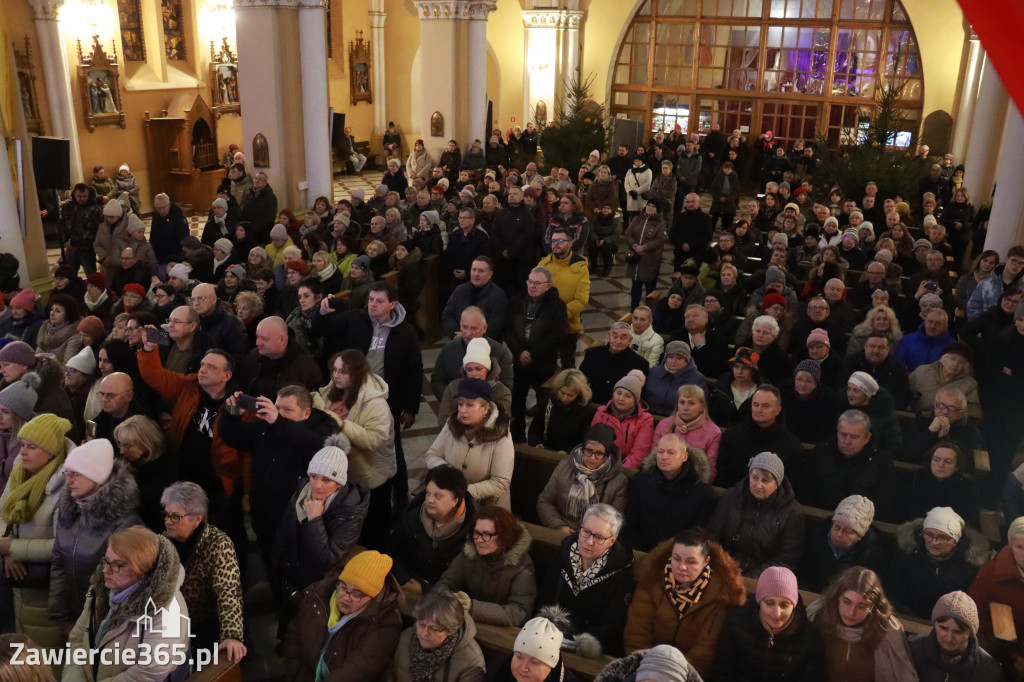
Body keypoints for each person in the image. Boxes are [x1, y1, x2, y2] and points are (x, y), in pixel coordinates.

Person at [64, 527, 190, 682]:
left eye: (117, 565)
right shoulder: (100, 590)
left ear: (143, 570)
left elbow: (149, 673)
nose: (105, 570)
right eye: (106, 561)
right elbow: (77, 639)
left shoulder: (169, 609)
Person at [274, 434, 370, 628]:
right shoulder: (303, 490)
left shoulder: (351, 510)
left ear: (339, 483)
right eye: (313, 476)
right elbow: (284, 533)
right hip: (293, 575)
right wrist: (277, 569)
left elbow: (326, 559)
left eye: (326, 480)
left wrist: (315, 520)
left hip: (318, 586)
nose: (316, 485)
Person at [623, 529, 745, 678]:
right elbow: (636, 636)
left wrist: (672, 677)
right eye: (677, 558)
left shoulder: (719, 595)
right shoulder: (651, 580)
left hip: (687, 675)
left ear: (705, 562)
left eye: (691, 561)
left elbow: (703, 655)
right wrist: (650, 673)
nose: (681, 567)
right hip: (645, 669)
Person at [49, 439, 141, 633]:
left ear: (97, 477)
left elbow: (125, 584)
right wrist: (62, 618)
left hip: (105, 627)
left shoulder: (126, 523)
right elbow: (58, 565)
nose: (68, 481)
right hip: (72, 620)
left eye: (76, 475)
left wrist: (94, 627)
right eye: (67, 474)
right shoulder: (69, 511)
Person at [0, 415, 73, 649]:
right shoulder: (21, 471)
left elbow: (65, 545)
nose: (23, 452)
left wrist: (12, 548)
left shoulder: (67, 488)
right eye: (22, 445)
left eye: (32, 447)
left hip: (48, 587)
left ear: (51, 452)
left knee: (44, 652)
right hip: (19, 581)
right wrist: (7, 551)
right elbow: (3, 512)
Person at [284, 550, 403, 682]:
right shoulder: (317, 597)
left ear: (373, 597)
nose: (346, 597)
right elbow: (293, 638)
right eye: (343, 587)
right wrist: (295, 675)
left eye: (357, 594)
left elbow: (357, 671)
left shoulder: (385, 623)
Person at [160, 482, 246, 662]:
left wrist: (231, 635)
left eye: (175, 517)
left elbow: (228, 594)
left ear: (196, 519)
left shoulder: (219, 544)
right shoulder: (162, 543)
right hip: (172, 629)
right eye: (166, 515)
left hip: (209, 629)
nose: (168, 521)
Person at [540, 504, 634, 656]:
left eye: (598, 537)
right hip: (551, 637)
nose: (589, 541)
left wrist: (576, 642)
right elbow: (545, 596)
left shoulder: (622, 574)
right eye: (586, 532)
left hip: (591, 648)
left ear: (612, 541)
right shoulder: (562, 554)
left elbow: (611, 625)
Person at [807, 566, 918, 682]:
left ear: (873, 607)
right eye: (846, 602)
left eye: (862, 606)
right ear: (837, 597)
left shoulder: (887, 632)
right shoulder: (818, 617)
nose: (851, 612)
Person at [713, 566, 824, 680]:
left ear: (794, 606)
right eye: (769, 603)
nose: (777, 613)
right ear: (759, 602)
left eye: (784, 605)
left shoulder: (810, 637)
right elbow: (722, 672)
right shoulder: (736, 622)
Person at [707, 451, 805, 578]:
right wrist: (722, 567)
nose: (758, 485)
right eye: (754, 478)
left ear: (778, 482)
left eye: (766, 481)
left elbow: (787, 557)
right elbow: (712, 535)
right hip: (724, 570)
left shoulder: (791, 511)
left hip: (764, 578)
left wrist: (752, 577)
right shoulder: (731, 497)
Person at [437, 505, 536, 627]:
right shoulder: (468, 554)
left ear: (504, 538)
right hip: (463, 622)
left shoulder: (522, 566)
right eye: (477, 533)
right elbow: (444, 584)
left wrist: (472, 607)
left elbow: (518, 613)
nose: (479, 540)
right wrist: (452, 600)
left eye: (487, 534)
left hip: (500, 633)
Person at [425, 378, 513, 510]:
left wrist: (464, 491)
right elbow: (432, 455)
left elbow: (501, 482)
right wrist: (449, 475)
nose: (462, 410)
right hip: (451, 499)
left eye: (470, 405)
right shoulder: (452, 423)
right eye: (460, 404)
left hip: (487, 508)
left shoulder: (500, 435)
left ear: (485, 408)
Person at [887, 506, 987, 620]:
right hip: (908, 618)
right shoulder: (907, 554)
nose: (934, 542)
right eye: (929, 534)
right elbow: (893, 594)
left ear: (954, 541)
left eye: (942, 537)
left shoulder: (969, 566)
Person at [622, 433, 714, 551]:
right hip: (640, 550)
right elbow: (631, 525)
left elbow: (697, 534)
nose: (664, 457)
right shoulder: (640, 481)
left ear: (684, 457)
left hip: (679, 555)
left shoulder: (702, 492)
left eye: (671, 452)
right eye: (660, 452)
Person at [388, 465, 475, 591]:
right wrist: (403, 577)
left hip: (442, 598)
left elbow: (467, 584)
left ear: (455, 501)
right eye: (428, 493)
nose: (429, 500)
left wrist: (425, 589)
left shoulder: (474, 532)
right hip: (407, 584)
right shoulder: (412, 515)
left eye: (438, 496)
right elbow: (391, 550)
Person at [536, 423, 628, 534]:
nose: (592, 457)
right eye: (588, 451)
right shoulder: (564, 467)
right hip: (561, 528)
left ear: (607, 456)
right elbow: (545, 502)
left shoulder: (619, 481)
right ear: (582, 449)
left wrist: (589, 534)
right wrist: (559, 526)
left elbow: (616, 520)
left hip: (595, 536)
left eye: (599, 453)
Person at [804, 410, 894, 516]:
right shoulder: (820, 453)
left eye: (854, 437)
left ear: (867, 438)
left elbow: (882, 506)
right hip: (819, 517)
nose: (847, 441)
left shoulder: (882, 463)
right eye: (843, 435)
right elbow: (806, 493)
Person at [388, 585, 486, 682]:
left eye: (434, 629)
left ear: (451, 630)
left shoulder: (471, 661)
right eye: (421, 625)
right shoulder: (405, 639)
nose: (424, 634)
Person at [908, 590, 1002, 682]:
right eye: (943, 628)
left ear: (971, 633)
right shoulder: (911, 650)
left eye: (958, 632)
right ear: (934, 624)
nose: (949, 638)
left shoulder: (988, 670)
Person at [112, 415, 177, 532]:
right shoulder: (132, 462)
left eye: (127, 446)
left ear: (146, 445)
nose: (121, 451)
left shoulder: (162, 478)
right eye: (120, 444)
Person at [537, 227, 590, 369]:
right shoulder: (544, 264)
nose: (555, 244)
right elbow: (534, 292)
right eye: (553, 240)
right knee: (546, 364)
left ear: (570, 243)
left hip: (568, 325)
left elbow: (581, 300)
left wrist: (559, 315)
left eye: (560, 240)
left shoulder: (580, 266)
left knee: (568, 364)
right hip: (545, 325)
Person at [490, 616, 581, 682]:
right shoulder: (497, 671)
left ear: (552, 667)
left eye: (535, 662)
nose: (523, 668)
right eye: (519, 657)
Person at [578, 323, 649, 406]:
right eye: (614, 336)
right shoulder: (592, 354)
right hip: (590, 405)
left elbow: (639, 396)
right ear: (609, 336)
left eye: (623, 337)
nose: (618, 341)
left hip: (619, 411)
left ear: (630, 340)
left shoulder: (640, 364)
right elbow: (580, 380)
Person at [527, 369, 595, 453]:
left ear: (579, 394)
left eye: (570, 395)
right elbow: (534, 431)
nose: (564, 398)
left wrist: (567, 451)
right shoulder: (547, 403)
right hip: (546, 450)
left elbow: (585, 441)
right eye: (562, 393)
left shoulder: (587, 411)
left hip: (571, 455)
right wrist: (536, 443)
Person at [781, 359, 839, 444]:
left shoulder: (829, 399)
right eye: (799, 379)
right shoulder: (783, 391)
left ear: (816, 383)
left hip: (813, 444)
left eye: (808, 381)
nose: (803, 384)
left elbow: (827, 429)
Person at [624, 201, 668, 309]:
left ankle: (651, 311)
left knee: (650, 287)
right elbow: (628, 233)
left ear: (657, 210)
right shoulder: (637, 219)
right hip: (636, 258)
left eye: (653, 206)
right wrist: (634, 245)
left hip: (650, 258)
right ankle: (634, 309)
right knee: (635, 285)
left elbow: (660, 239)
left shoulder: (660, 223)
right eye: (648, 205)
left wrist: (644, 247)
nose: (650, 207)